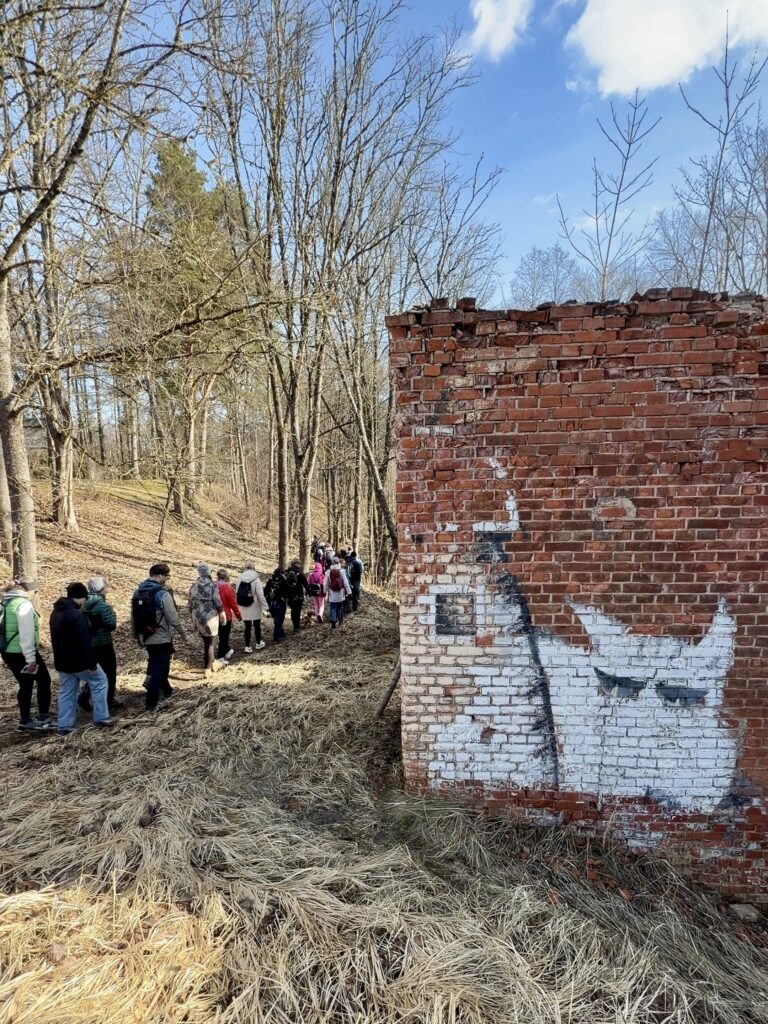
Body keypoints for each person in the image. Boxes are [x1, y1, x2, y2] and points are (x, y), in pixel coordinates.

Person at [51, 581, 111, 735]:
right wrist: (91, 663)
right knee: (100, 682)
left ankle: (64, 725)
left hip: (62, 660)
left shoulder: (56, 612)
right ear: (82, 597)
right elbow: (84, 641)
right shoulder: (77, 615)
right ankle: (101, 718)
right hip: (79, 661)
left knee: (67, 691)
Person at [1, 578, 54, 733]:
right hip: (22, 653)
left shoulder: (5, 602)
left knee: (25, 684)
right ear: (28, 590)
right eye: (34, 591)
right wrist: (31, 658)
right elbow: (27, 634)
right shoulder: (24, 605)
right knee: (44, 681)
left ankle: (25, 720)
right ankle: (43, 718)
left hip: (8, 651)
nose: (34, 594)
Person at [132, 562, 186, 712]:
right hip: (161, 636)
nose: (167, 580)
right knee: (158, 668)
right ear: (161, 576)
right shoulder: (162, 594)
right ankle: (152, 702)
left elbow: (133, 617)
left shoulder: (138, 592)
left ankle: (167, 690)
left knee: (156, 663)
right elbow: (173, 617)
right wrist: (182, 633)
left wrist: (137, 635)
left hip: (146, 636)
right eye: (167, 577)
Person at [79, 576, 120, 713]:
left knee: (95, 672)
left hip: (88, 643)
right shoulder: (102, 605)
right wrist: (112, 611)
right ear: (102, 589)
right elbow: (111, 624)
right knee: (109, 672)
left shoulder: (83, 603)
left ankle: (85, 695)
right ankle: (108, 700)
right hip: (103, 643)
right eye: (106, 586)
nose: (108, 588)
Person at [188, 563, 225, 677]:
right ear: (209, 572)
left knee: (206, 641)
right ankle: (207, 669)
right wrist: (221, 612)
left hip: (198, 616)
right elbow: (217, 601)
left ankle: (214, 663)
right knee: (210, 643)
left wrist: (193, 614)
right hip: (210, 617)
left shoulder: (194, 585)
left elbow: (190, 602)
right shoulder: (212, 585)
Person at [235, 562, 269, 652]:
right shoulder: (256, 579)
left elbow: (237, 592)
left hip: (243, 605)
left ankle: (247, 646)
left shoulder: (240, 578)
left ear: (245, 568)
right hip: (255, 606)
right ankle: (258, 643)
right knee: (257, 626)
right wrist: (266, 607)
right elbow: (260, 595)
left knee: (247, 627)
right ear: (254, 568)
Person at [215, 569, 241, 661]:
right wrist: (238, 615)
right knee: (224, 636)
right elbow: (233, 604)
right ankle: (220, 657)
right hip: (225, 616)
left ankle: (227, 650)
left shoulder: (213, 586)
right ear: (226, 577)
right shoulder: (227, 588)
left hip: (213, 615)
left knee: (221, 635)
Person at [324, 556, 351, 630]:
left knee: (333, 607)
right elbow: (345, 582)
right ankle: (340, 621)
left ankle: (333, 620)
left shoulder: (328, 572)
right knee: (340, 607)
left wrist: (325, 591)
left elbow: (326, 583)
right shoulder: (342, 571)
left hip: (332, 593)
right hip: (340, 593)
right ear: (338, 562)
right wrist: (349, 591)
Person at [264, 568, 288, 642]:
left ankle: (281, 633)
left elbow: (265, 592)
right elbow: (287, 593)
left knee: (276, 620)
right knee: (279, 620)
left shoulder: (270, 581)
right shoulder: (283, 582)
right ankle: (276, 637)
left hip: (271, 604)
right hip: (280, 603)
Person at [285, 560, 308, 632]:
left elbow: (284, 585)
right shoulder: (301, 574)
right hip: (298, 596)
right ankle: (296, 626)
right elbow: (306, 585)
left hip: (291, 596)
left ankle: (295, 625)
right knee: (297, 611)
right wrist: (309, 592)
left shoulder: (287, 574)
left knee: (294, 611)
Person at [306, 558, 326, 624]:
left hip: (313, 592)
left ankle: (317, 617)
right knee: (321, 605)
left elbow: (308, 583)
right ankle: (320, 615)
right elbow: (324, 584)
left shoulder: (311, 575)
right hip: (320, 592)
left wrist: (307, 592)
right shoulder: (322, 575)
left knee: (316, 605)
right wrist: (325, 592)